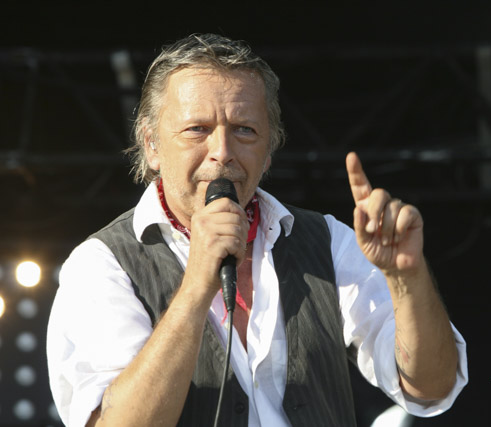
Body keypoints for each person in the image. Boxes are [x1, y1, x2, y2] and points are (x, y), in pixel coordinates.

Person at [47, 33, 468, 427]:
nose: (223, 152)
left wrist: (407, 277)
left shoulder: (327, 240)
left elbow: (431, 387)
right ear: (152, 144)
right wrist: (196, 285)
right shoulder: (102, 265)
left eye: (245, 130)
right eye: (198, 129)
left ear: (268, 152)